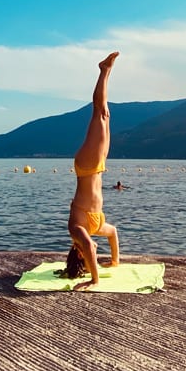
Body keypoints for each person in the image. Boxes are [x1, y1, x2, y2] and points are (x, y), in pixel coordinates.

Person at [62, 52, 121, 291]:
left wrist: (94, 280)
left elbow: (88, 245)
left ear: (77, 250)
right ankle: (105, 71)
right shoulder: (95, 227)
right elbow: (113, 233)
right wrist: (115, 261)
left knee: (99, 112)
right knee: (106, 115)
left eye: (88, 258)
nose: (93, 252)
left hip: (87, 167)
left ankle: (104, 70)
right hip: (98, 167)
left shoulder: (76, 230)